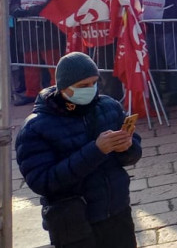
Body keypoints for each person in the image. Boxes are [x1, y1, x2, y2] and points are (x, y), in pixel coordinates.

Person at [16, 52, 143, 248]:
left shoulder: (109, 106)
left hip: (116, 212)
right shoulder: (36, 128)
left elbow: (133, 152)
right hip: (73, 223)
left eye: (94, 83)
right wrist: (96, 151)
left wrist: (127, 147)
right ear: (64, 87)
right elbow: (43, 181)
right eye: (83, 86)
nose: (91, 89)